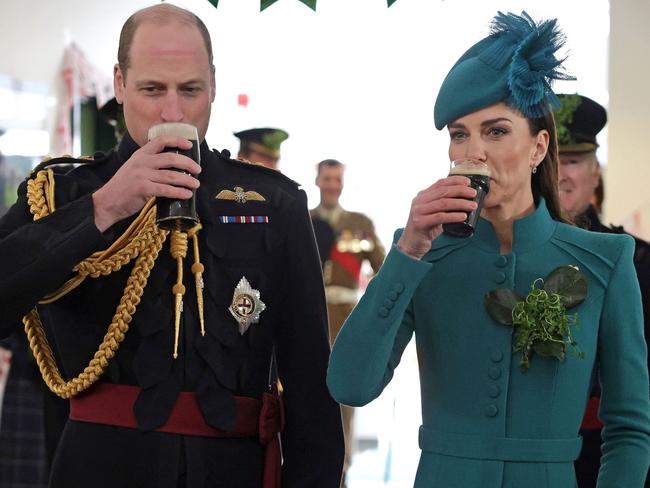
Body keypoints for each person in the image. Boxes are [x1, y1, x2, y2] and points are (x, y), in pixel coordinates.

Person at [0, 4, 343, 488]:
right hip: (97, 470)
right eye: (152, 90)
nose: (173, 113)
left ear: (214, 86)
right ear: (120, 84)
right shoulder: (62, 193)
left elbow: (310, 385)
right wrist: (103, 209)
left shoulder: (273, 202)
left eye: (190, 90)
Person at [327, 11, 650, 488]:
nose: (471, 152)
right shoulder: (421, 253)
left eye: (496, 131)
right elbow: (350, 386)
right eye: (460, 134)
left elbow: (629, 430)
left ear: (539, 147)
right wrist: (408, 252)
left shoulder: (606, 260)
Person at [555, 93, 650, 487]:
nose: (559, 174)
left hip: (611, 452)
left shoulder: (637, 261)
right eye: (550, 161)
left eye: (573, 161)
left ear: (596, 173)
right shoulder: (503, 260)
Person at [310, 158, 385, 486]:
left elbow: (383, 270)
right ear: (317, 181)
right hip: (307, 319)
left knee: (342, 402)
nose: (332, 184)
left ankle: (339, 475)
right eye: (327, 178)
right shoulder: (302, 220)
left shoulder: (360, 224)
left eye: (336, 178)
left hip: (344, 326)